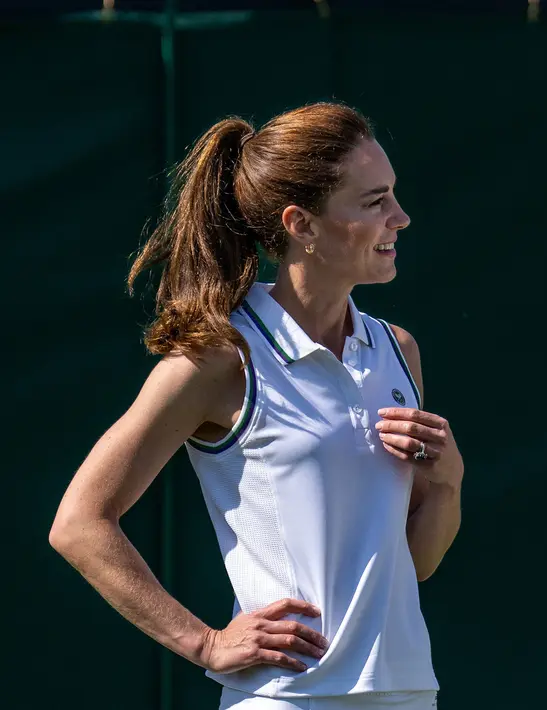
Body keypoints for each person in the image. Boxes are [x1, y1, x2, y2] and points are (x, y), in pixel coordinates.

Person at [49, 102, 461, 710]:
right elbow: (79, 523)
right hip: (287, 698)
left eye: (394, 196)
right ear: (303, 225)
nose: (400, 217)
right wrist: (205, 644)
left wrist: (448, 482)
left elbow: (418, 563)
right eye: (374, 202)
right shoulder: (219, 360)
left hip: (407, 691)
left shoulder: (398, 351)